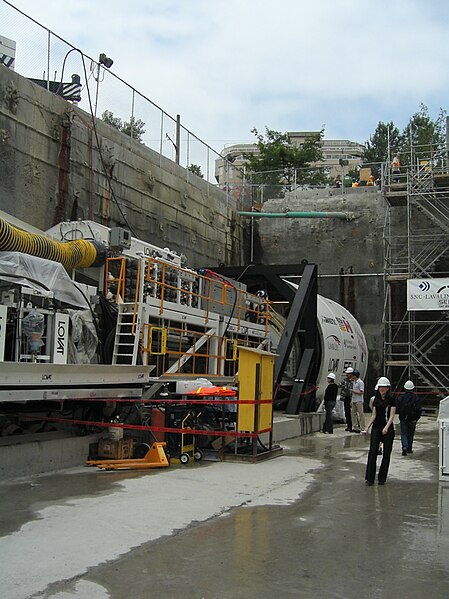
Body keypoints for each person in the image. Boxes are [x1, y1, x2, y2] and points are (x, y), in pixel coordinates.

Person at [362, 377, 397, 486]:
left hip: (387, 428)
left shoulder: (391, 400)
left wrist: (386, 427)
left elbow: (392, 416)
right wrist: (367, 427)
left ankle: (382, 478)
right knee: (372, 452)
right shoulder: (375, 400)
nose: (382, 389)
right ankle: (370, 478)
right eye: (381, 387)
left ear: (388, 388)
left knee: (386, 453)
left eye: (384, 387)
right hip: (376, 428)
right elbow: (374, 415)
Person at [396, 380, 422, 456]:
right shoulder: (416, 398)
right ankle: (409, 448)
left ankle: (404, 446)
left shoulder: (400, 398)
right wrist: (417, 418)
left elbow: (397, 408)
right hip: (413, 419)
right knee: (410, 434)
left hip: (403, 418)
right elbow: (419, 409)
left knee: (404, 433)